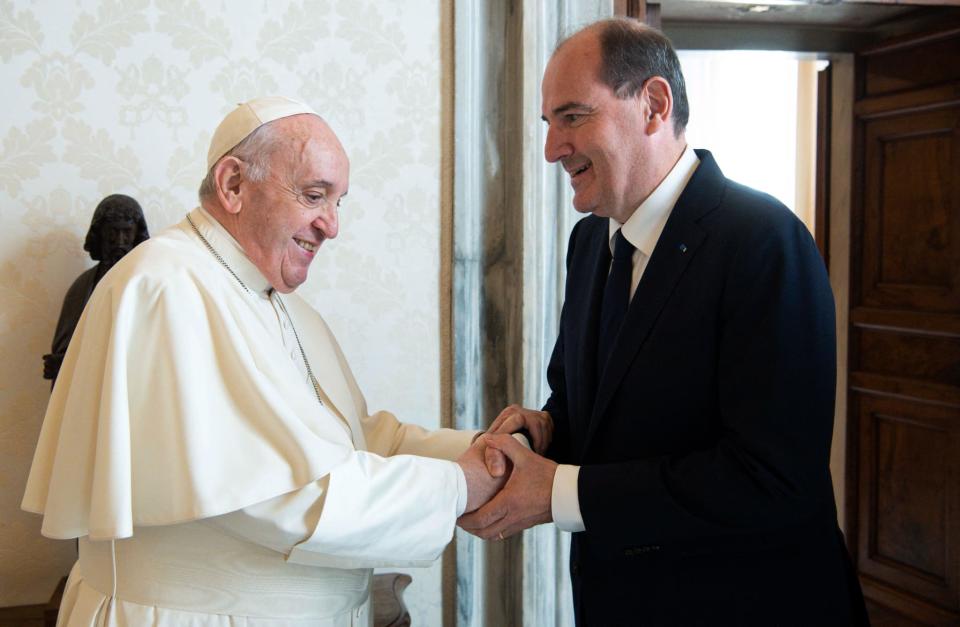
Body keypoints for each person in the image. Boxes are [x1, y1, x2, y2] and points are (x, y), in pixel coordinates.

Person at [23, 96, 521, 626]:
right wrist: (461, 485)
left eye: (338, 202)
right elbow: (280, 496)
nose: (331, 225)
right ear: (233, 184)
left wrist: (486, 449)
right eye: (313, 196)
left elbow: (356, 438)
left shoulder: (276, 301)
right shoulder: (167, 288)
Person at [462, 19, 869, 625]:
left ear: (653, 104)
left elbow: (772, 478)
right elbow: (592, 410)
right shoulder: (587, 244)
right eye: (548, 124)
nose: (551, 149)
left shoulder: (764, 241)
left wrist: (558, 494)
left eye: (572, 117)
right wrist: (545, 428)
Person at [42, 194, 149, 384]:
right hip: (88, 387)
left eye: (127, 232)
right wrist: (61, 363)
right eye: (112, 233)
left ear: (137, 235)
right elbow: (67, 347)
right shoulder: (82, 286)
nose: (120, 241)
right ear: (99, 234)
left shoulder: (149, 285)